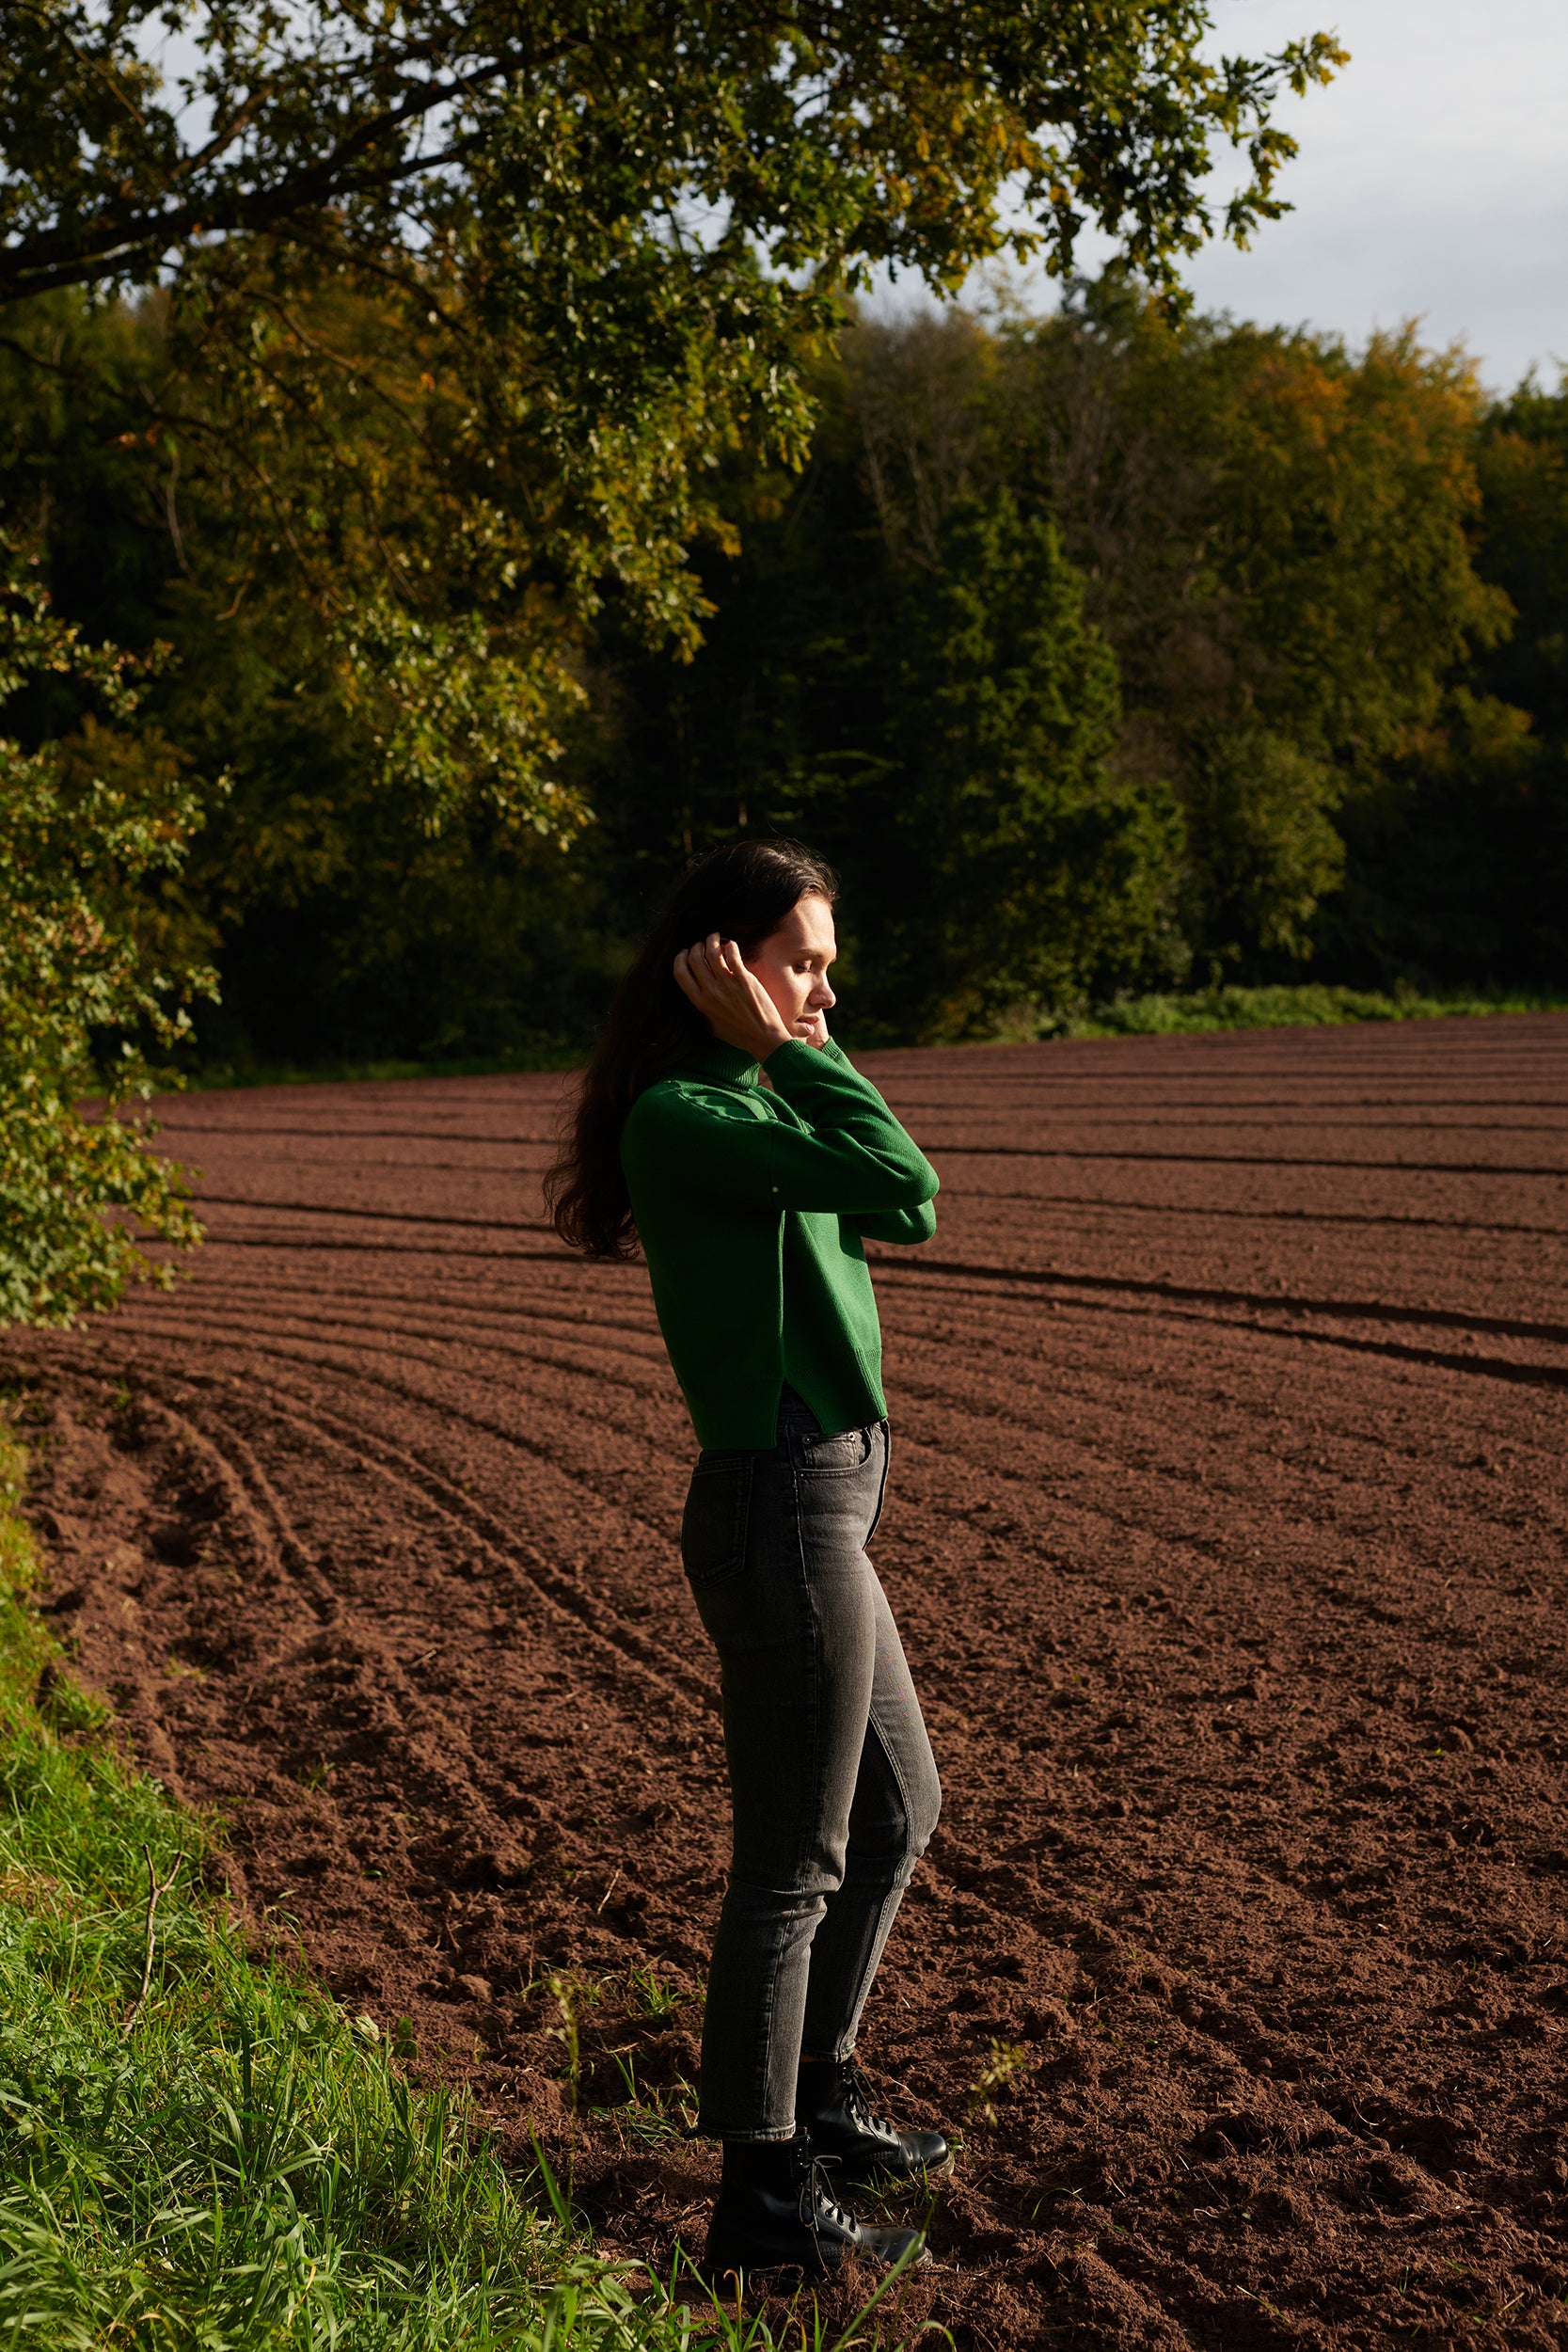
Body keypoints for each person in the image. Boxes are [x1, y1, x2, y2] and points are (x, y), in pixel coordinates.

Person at [546, 838, 949, 2286]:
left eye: (828, 966)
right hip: (784, 1504)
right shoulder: (690, 1111)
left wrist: (790, 1048)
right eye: (804, 963)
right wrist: (788, 1052)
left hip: (827, 1499)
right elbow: (902, 1177)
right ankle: (760, 2203)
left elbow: (891, 1199)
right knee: (794, 1863)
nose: (826, 991)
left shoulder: (752, 1096)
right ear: (722, 966)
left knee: (902, 1817)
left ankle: (819, 2100)